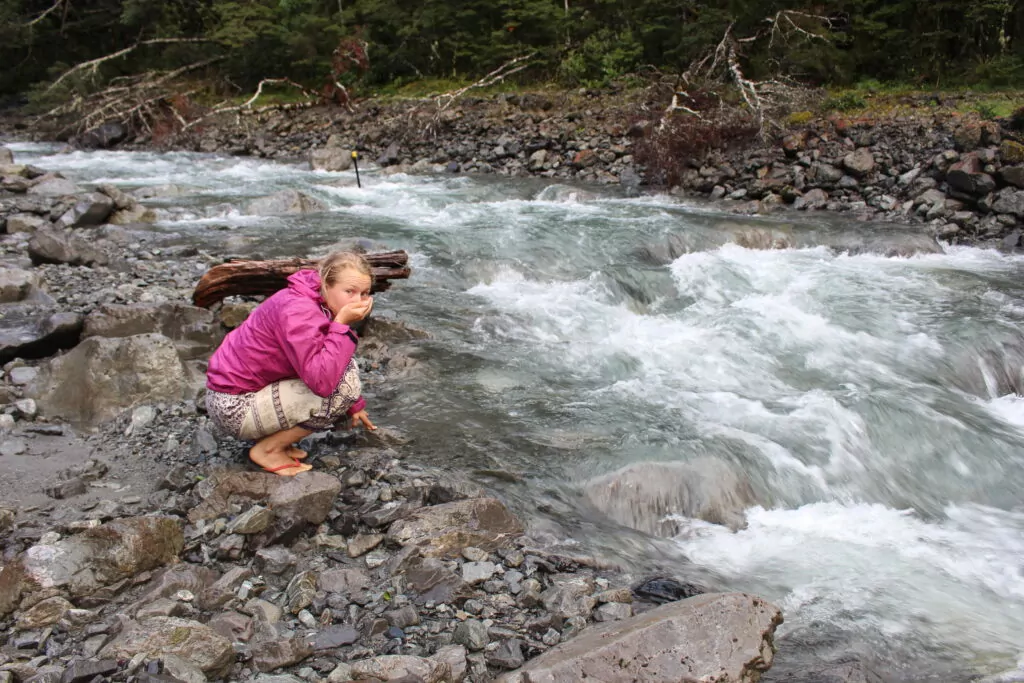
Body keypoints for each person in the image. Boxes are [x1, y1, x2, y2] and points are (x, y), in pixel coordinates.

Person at [205, 251, 377, 476]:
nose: (358, 301)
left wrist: (355, 405)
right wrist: (342, 324)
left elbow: (322, 358)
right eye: (349, 292)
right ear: (326, 284)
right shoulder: (299, 310)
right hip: (233, 407)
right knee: (343, 388)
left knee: (341, 361)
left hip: (243, 392)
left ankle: (277, 440)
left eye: (364, 293)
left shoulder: (314, 298)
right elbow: (323, 383)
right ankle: (268, 449)